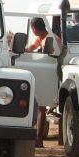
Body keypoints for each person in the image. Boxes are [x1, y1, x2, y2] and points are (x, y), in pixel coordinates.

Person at [27, 17, 52, 147]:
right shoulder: (42, 38)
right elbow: (31, 48)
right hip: (47, 73)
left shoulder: (48, 39)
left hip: (51, 75)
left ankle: (39, 139)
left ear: (34, 29)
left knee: (41, 107)